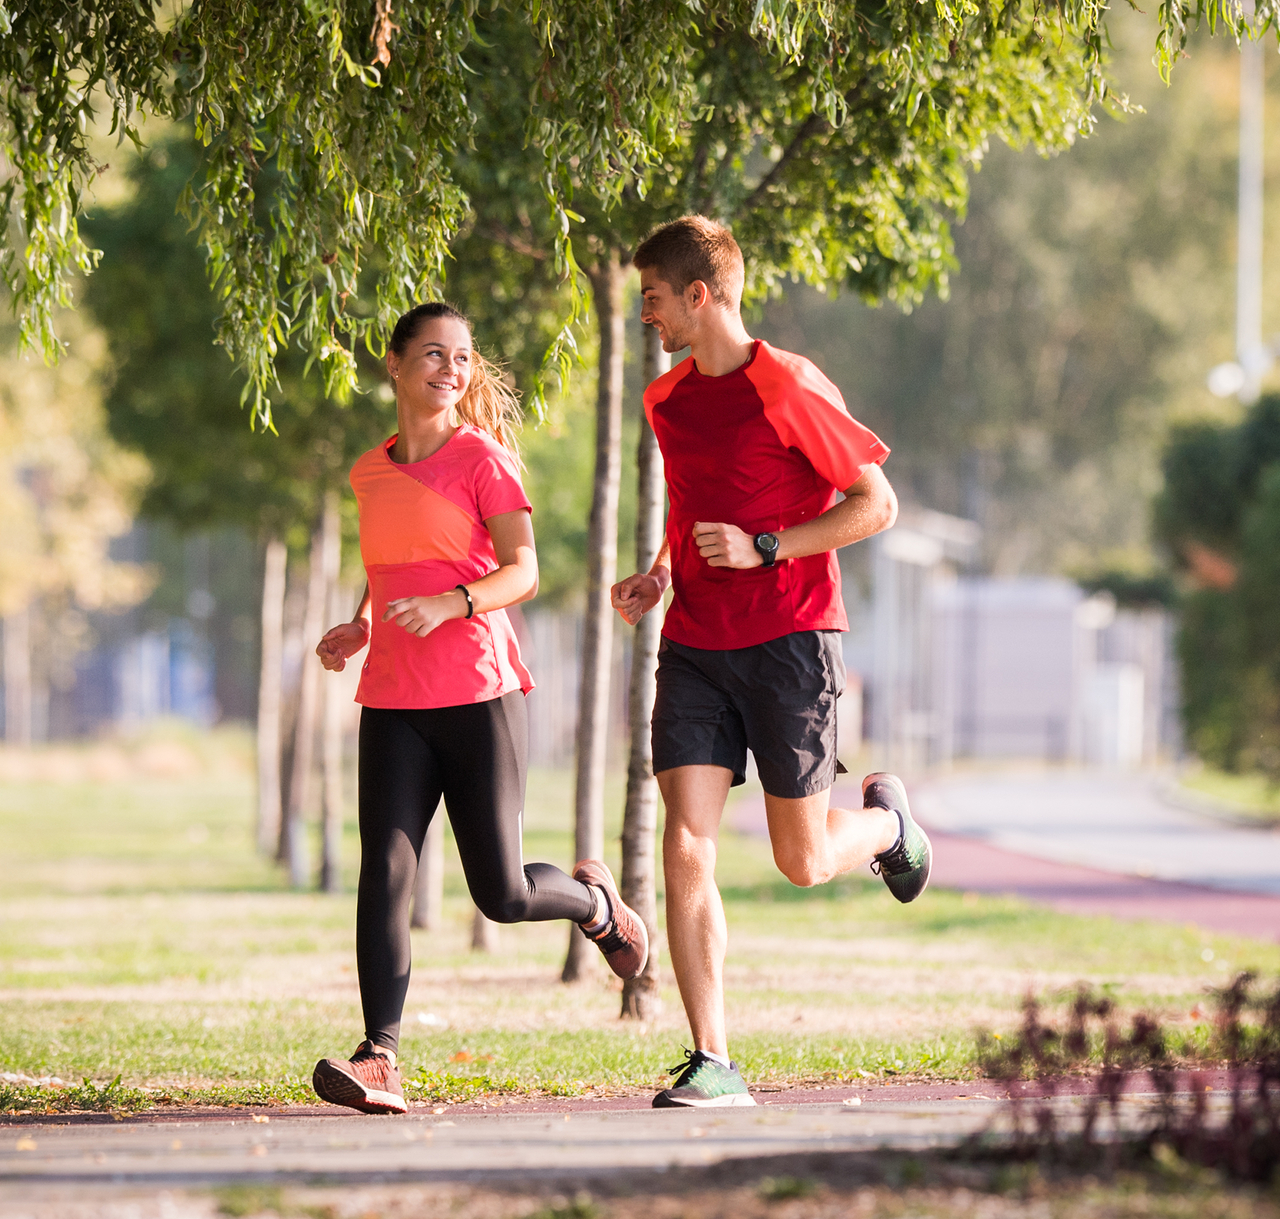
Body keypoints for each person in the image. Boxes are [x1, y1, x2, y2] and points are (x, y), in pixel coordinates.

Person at [612, 217, 933, 1109]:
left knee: (803, 861)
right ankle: (712, 1058)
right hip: (695, 646)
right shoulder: (665, 399)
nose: (649, 315)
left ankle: (890, 828)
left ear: (701, 296)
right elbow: (691, 505)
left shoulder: (787, 385)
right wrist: (659, 574)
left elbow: (877, 504)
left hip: (791, 639)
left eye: (655, 298)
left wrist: (767, 546)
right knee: (686, 840)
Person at [310, 301, 648, 1114]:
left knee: (500, 891)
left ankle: (598, 907)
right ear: (393, 365)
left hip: (478, 692)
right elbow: (393, 560)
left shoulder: (482, 458)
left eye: (461, 358)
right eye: (433, 354)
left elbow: (522, 570)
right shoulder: (369, 470)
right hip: (392, 694)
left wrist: (457, 603)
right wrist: (360, 621)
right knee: (384, 871)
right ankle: (380, 1056)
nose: (450, 370)